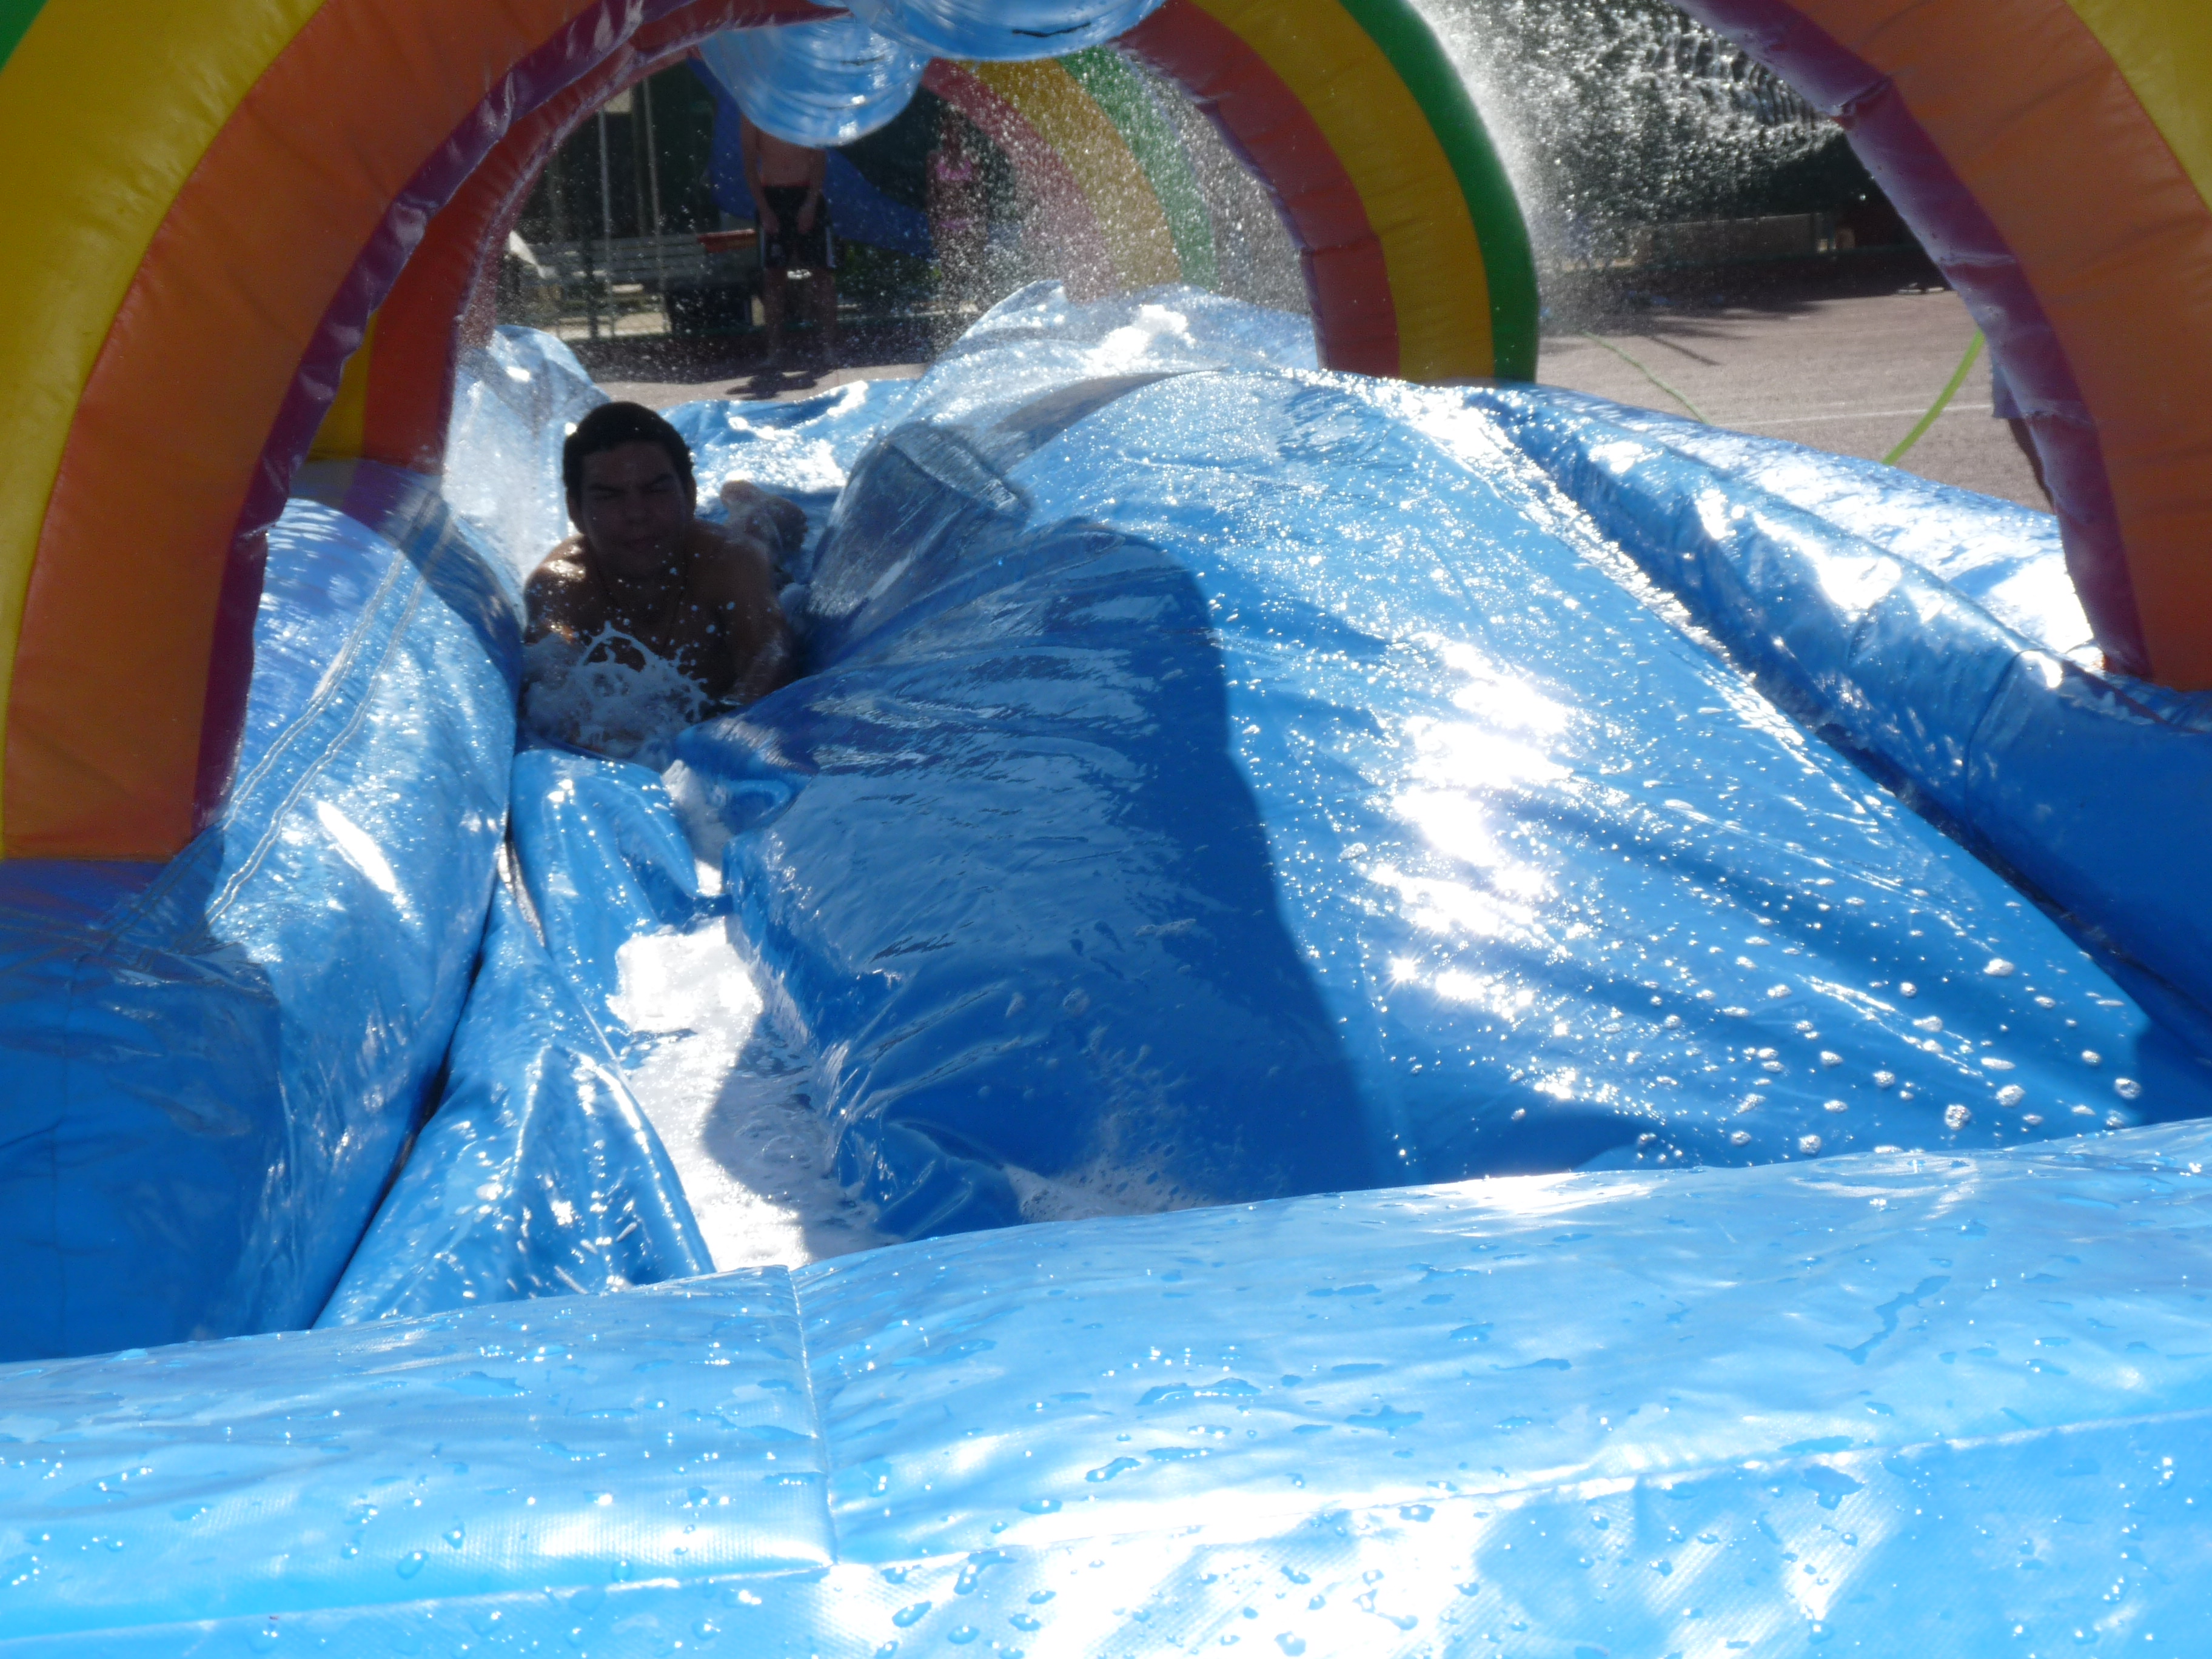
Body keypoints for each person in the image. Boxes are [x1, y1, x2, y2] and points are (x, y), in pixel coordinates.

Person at [523, 403, 803, 749]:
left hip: (736, 550)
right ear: (575, 510)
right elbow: (551, 683)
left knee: (760, 533)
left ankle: (751, 504)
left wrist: (725, 726)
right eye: (609, 497)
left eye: (656, 490)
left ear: (690, 494)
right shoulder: (563, 585)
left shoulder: (730, 563)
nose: (637, 514)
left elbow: (772, 655)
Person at [740, 114, 837, 366]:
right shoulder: (754, 112)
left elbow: (819, 158)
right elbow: (749, 166)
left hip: (805, 192)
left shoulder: (802, 106)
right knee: (774, 276)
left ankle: (828, 348)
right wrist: (764, 209)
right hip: (773, 195)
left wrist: (810, 203)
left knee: (822, 273)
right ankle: (774, 352)